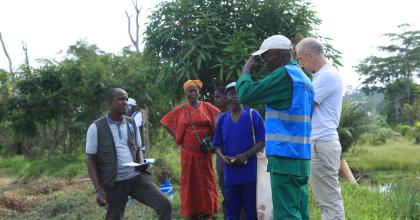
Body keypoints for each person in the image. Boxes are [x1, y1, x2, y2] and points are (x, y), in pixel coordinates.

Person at [236, 35, 314, 219]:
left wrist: (245, 71)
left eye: (266, 57)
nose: (264, 63)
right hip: (302, 157)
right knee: (300, 212)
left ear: (279, 55)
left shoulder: (283, 75)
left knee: (285, 214)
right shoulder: (304, 79)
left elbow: (246, 95)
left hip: (284, 156)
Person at [85, 88, 172, 220]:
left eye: (126, 99)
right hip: (114, 183)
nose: (125, 102)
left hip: (136, 179)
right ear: (110, 102)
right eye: (120, 99)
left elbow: (138, 149)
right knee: (114, 217)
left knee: (165, 204)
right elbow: (90, 160)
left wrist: (141, 162)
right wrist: (98, 189)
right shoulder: (96, 127)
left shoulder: (131, 123)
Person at [296, 37, 345, 220]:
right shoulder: (320, 76)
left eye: (300, 59)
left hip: (322, 142)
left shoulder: (327, 76)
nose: (300, 64)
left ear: (309, 56)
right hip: (318, 142)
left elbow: (304, 105)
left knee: (329, 200)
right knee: (325, 200)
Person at [160, 80, 219, 219]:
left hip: (204, 153)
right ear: (186, 93)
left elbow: (220, 119)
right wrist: (177, 136)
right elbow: (165, 121)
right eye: (189, 91)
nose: (192, 93)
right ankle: (192, 212)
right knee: (190, 182)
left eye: (194, 90)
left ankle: (207, 211)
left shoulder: (208, 107)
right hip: (188, 154)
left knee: (206, 181)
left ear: (199, 91)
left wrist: (214, 139)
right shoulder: (181, 109)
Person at [213, 82, 265, 220]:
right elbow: (217, 144)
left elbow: (262, 141)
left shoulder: (252, 115)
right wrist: (222, 156)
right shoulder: (223, 120)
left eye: (238, 93)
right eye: (231, 93)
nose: (235, 96)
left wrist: (245, 155)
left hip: (249, 174)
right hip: (230, 175)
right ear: (227, 97)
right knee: (231, 212)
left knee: (251, 212)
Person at [213, 85, 228, 215]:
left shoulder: (235, 114)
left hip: (235, 161)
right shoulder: (217, 117)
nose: (215, 100)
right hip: (221, 163)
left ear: (226, 97)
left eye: (218, 97)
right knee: (226, 196)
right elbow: (216, 141)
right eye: (215, 97)